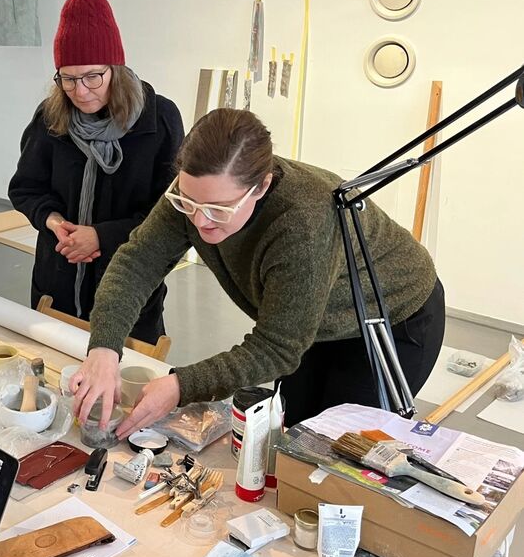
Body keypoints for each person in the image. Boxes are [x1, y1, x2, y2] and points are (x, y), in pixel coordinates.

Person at [71, 108, 445, 436]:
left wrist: (181, 385)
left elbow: (276, 348)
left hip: (389, 321)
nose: (200, 220)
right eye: (188, 201)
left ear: (262, 185)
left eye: (219, 209)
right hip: (314, 322)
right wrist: (104, 348)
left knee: (338, 455)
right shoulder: (195, 194)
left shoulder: (303, 221)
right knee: (294, 430)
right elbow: (137, 262)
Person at [8, 0, 183, 344]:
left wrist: (101, 237)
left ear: (114, 69)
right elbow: (26, 188)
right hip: (57, 280)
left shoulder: (159, 120)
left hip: (128, 285)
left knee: (123, 386)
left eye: (92, 76)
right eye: (68, 78)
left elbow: (171, 212)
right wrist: (52, 220)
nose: (80, 91)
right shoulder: (50, 117)